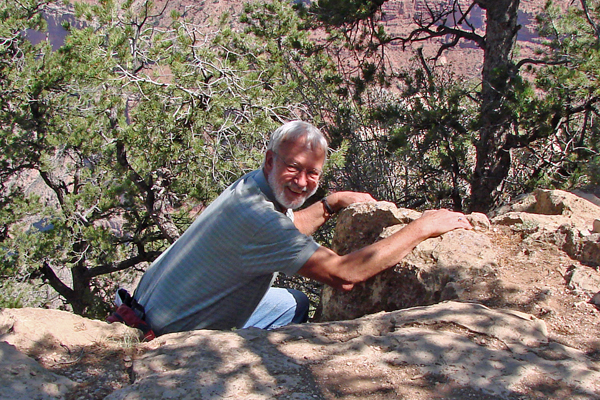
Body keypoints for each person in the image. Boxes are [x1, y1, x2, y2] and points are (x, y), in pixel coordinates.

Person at [131, 120, 472, 335]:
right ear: (270, 160)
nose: (302, 181)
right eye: (293, 167)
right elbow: (343, 274)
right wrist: (421, 227)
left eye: (313, 173)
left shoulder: (251, 185)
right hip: (170, 334)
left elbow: (288, 225)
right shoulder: (258, 218)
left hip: (150, 308)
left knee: (293, 302)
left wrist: (330, 203)